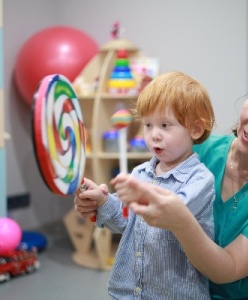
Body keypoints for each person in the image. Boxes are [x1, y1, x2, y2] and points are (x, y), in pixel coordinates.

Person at [108, 61, 248, 299]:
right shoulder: (195, 151)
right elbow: (138, 220)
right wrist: (104, 205)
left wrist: (181, 222)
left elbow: (228, 268)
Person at [75, 71, 216, 299]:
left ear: (196, 130)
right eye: (148, 125)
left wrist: (139, 193)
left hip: (174, 294)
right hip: (129, 291)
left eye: (165, 125)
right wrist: (103, 201)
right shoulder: (140, 173)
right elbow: (126, 223)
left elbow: (170, 213)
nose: (154, 135)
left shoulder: (200, 180)